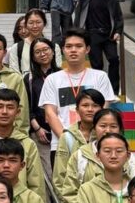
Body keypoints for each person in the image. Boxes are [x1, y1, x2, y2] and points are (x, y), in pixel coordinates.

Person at [39, 28, 116, 157]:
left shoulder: (100, 77)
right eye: (68, 46)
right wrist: (68, 140)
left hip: (95, 146)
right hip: (61, 146)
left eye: (79, 46)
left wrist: (88, 140)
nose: (73, 50)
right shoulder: (52, 79)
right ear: (63, 50)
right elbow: (50, 113)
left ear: (87, 49)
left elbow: (103, 112)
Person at [60, 108, 135, 203]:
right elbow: (69, 193)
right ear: (94, 128)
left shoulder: (129, 158)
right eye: (103, 126)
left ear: (120, 129)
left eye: (113, 126)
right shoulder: (81, 155)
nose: (108, 130)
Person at [52, 89, 105, 203]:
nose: (90, 109)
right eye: (85, 105)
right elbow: (60, 177)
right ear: (77, 109)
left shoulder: (107, 137)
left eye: (95, 106)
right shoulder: (67, 138)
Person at [75, 0, 123, 93]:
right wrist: (78, 34)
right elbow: (78, 17)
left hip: (109, 35)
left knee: (114, 59)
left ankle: (113, 91)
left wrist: (118, 31)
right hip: (92, 34)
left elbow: (118, 17)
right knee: (97, 65)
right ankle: (99, 91)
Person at [24, 37, 62, 177]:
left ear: (52, 51)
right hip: (41, 133)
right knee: (48, 173)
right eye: (38, 51)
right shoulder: (29, 79)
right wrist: (37, 128)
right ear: (33, 57)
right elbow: (27, 106)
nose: (43, 54)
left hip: (63, 131)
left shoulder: (63, 75)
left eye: (45, 49)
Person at [0, 32, 30, 132]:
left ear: (4, 52)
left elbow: (22, 111)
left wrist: (17, 137)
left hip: (8, 138)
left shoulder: (15, 78)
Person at [8, 9, 62, 76]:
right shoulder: (16, 48)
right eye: (31, 23)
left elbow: (57, 71)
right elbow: (14, 74)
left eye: (38, 22)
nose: (35, 26)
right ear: (26, 25)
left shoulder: (54, 47)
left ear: (44, 23)